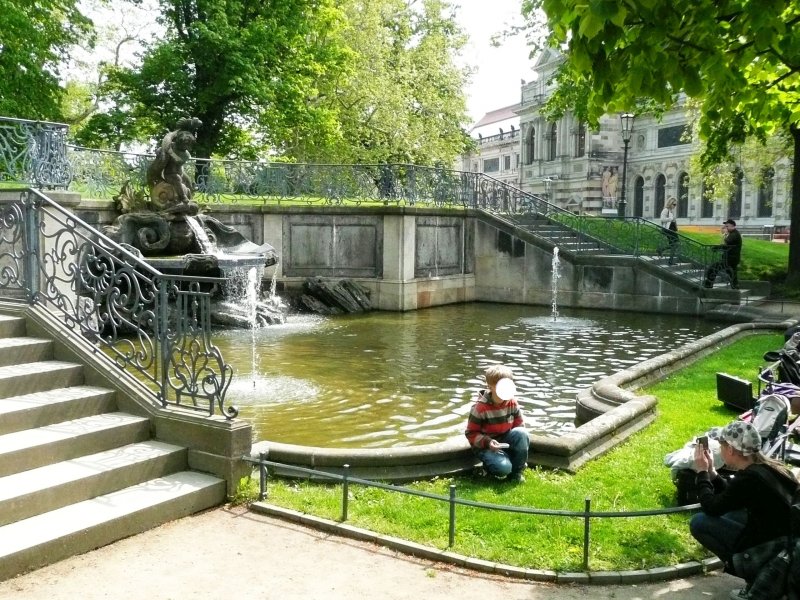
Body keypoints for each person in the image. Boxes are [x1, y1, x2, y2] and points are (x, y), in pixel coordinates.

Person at [690, 420, 799, 599]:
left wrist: (701, 473)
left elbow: (712, 508)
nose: (720, 450)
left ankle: (752, 571)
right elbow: (733, 497)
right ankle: (760, 574)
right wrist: (712, 474)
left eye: (721, 446)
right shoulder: (771, 468)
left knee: (699, 522)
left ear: (731, 450)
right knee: (733, 512)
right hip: (786, 542)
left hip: (773, 550)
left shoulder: (749, 479)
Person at [464, 365, 529, 483]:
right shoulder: (480, 408)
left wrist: (517, 446)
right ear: (490, 386)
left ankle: (516, 472)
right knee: (504, 468)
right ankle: (489, 468)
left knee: (522, 433)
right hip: (486, 447)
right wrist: (488, 442)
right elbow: (471, 433)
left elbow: (519, 426)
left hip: (505, 441)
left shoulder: (512, 402)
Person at [703, 219, 742, 289]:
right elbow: (726, 245)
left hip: (730, 259)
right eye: (725, 226)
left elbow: (727, 243)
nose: (726, 228)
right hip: (731, 258)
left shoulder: (734, 234)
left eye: (727, 226)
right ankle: (735, 285)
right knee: (731, 272)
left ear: (733, 226)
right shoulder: (734, 234)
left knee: (713, 268)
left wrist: (725, 235)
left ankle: (708, 284)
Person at [659, 197, 679, 265]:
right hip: (667, 229)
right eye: (674, 204)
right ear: (670, 203)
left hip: (672, 229)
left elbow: (673, 220)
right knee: (675, 244)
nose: (675, 206)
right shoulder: (665, 210)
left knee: (674, 244)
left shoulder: (671, 211)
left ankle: (661, 249)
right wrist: (670, 219)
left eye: (676, 204)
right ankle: (670, 261)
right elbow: (662, 219)